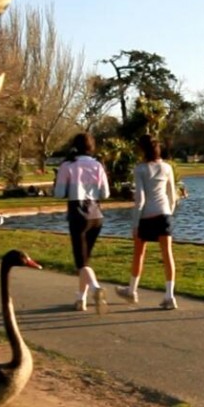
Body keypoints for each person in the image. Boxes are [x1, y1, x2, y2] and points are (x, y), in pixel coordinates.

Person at [115, 134, 178, 310]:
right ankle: (169, 296)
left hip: (146, 217)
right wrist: (168, 213)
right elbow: (172, 195)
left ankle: (132, 290)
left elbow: (140, 199)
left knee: (139, 253)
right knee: (167, 255)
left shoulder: (140, 169)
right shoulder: (167, 167)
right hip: (164, 214)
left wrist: (135, 223)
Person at [54, 133, 110, 313]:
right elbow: (105, 194)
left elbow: (59, 193)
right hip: (96, 215)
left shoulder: (67, 165)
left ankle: (95, 288)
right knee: (85, 261)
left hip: (78, 215)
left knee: (82, 263)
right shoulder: (97, 165)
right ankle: (81, 299)